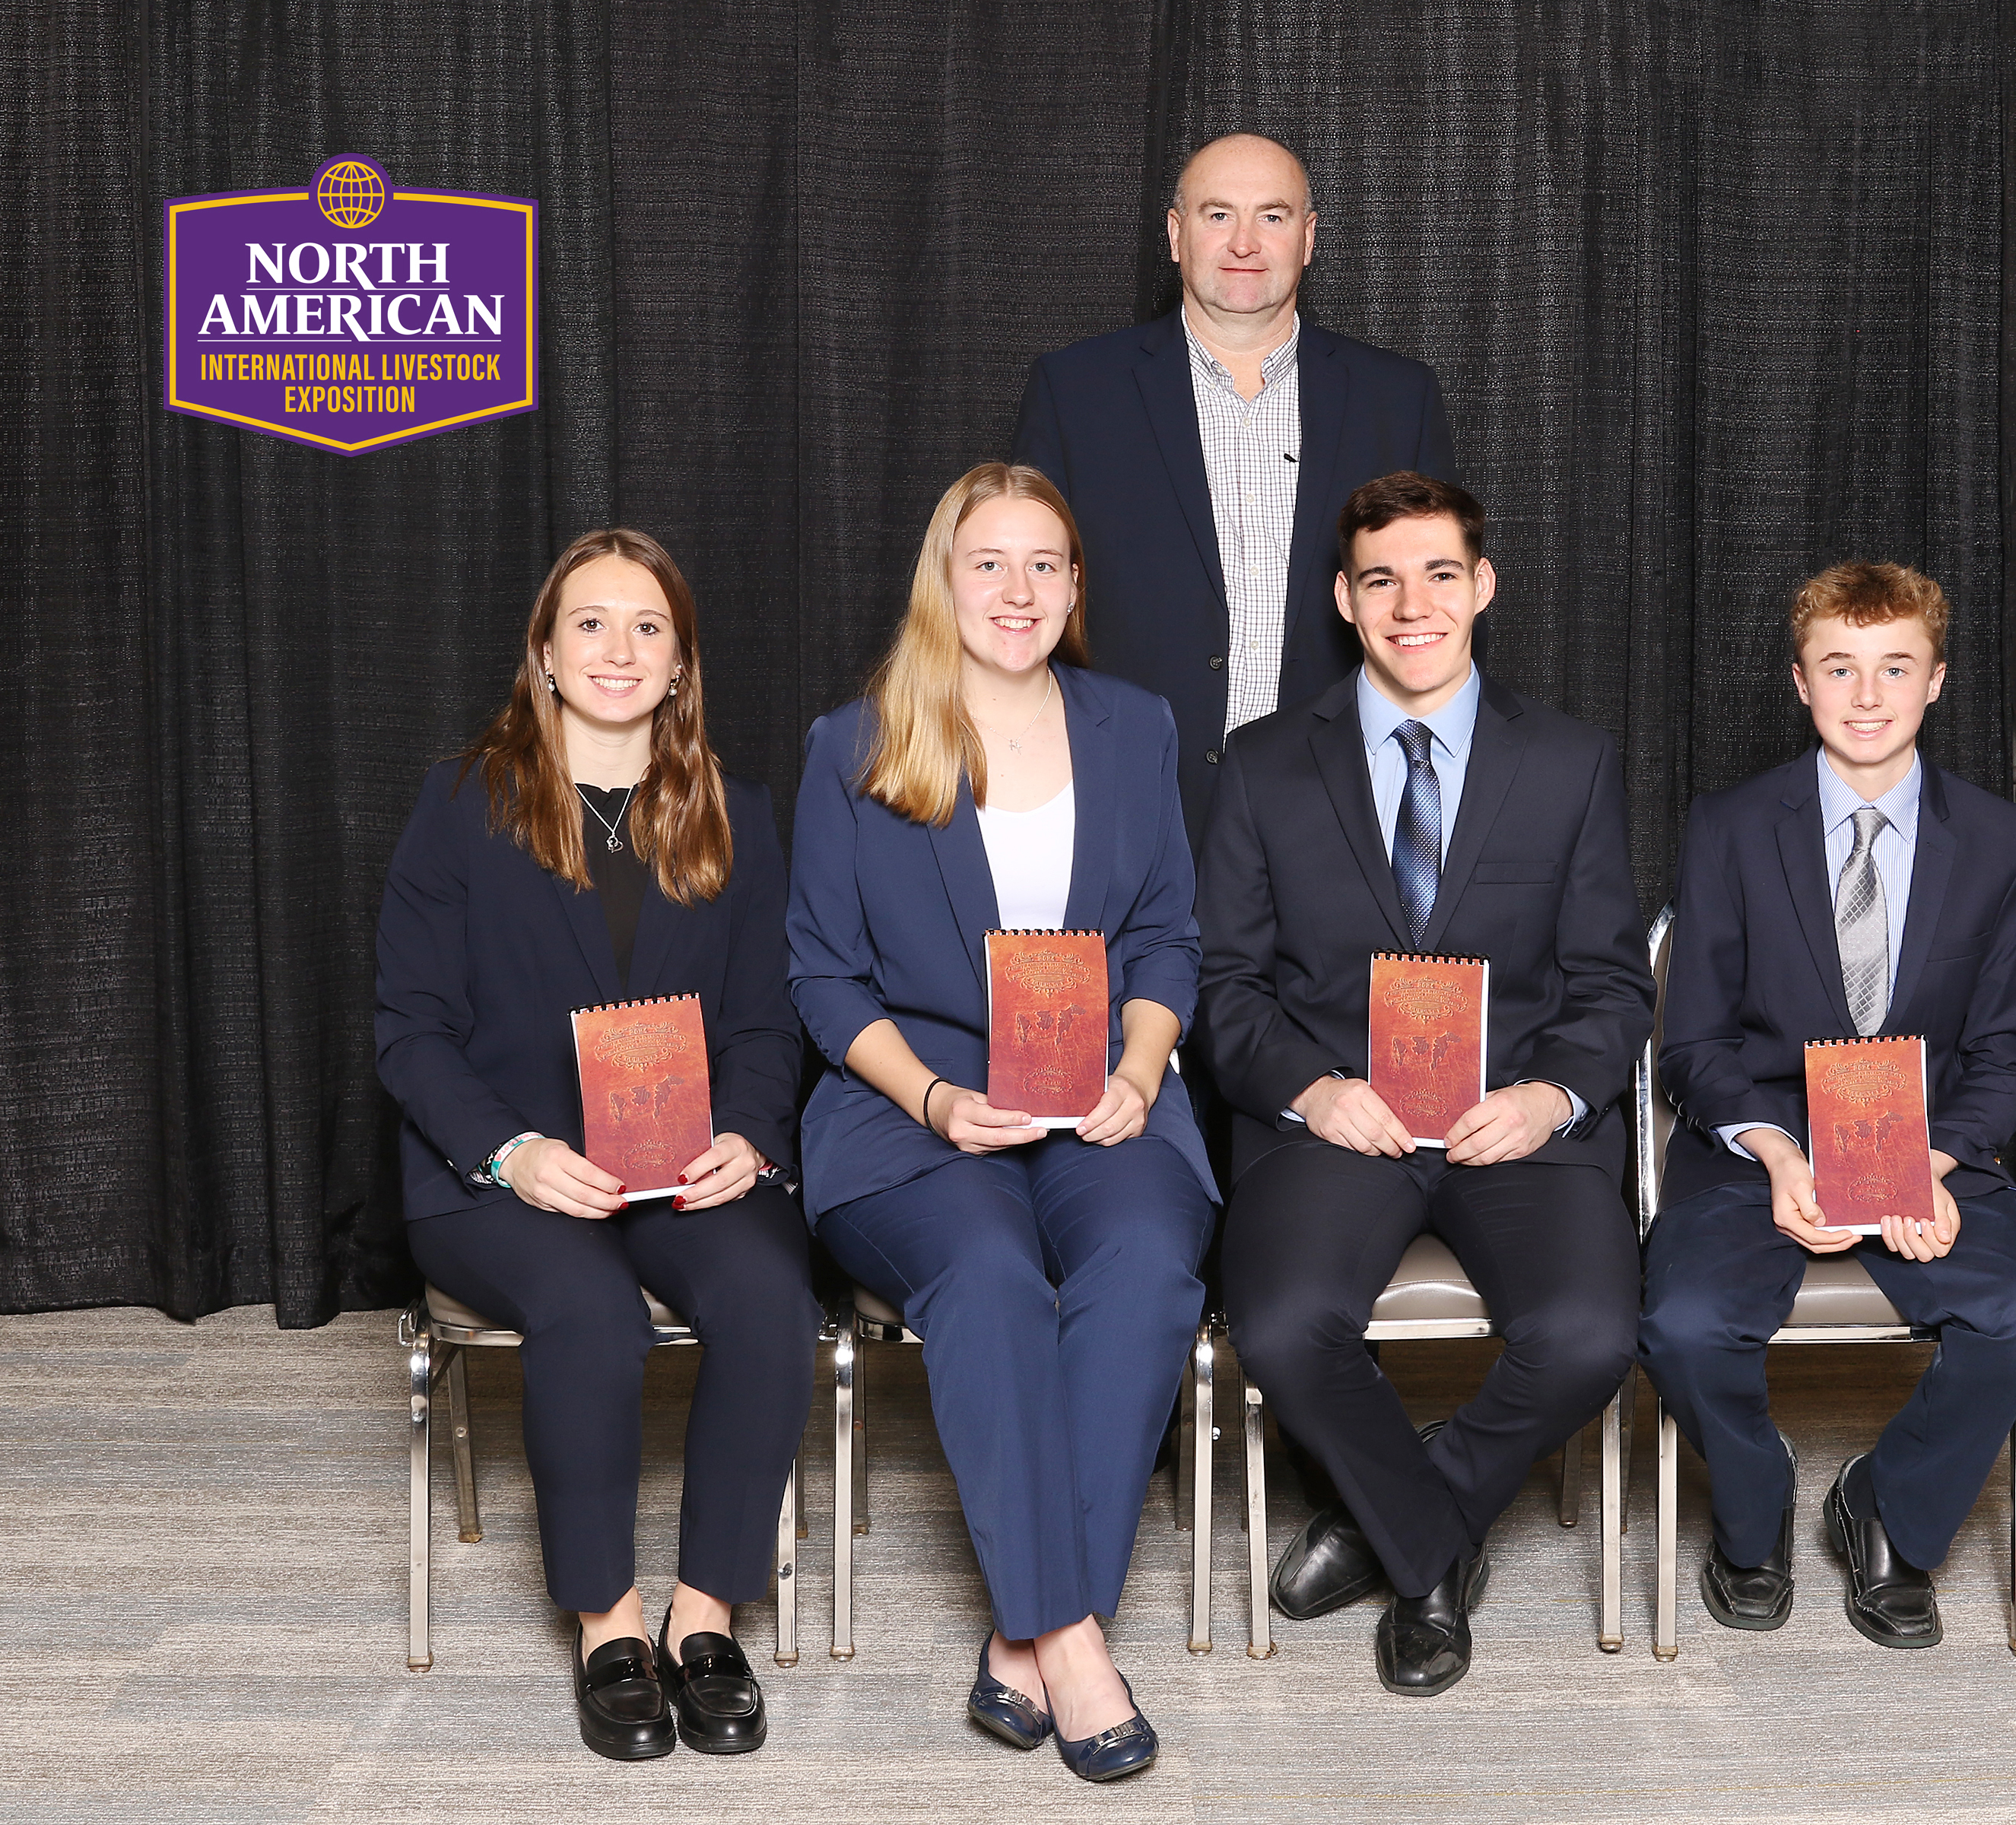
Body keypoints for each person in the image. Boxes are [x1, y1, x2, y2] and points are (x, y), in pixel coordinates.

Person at [788, 462, 1214, 1784]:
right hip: (910, 1107)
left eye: (1044, 565)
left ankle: (1023, 1633)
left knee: (1147, 1268)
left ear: (1076, 587)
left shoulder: (1134, 726)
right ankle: (1070, 1641)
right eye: (990, 562)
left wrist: (1142, 1069)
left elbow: (1165, 938)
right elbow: (821, 972)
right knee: (984, 1274)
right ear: (945, 578)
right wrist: (929, 1094)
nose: (1017, 590)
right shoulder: (853, 745)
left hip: (1101, 1088)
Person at [1198, 471, 1651, 1696]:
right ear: (1344, 599)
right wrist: (1313, 1090)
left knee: (1593, 1332)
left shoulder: (1569, 762)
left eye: (1440, 574)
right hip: (1337, 1128)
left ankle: (1398, 1519)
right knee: (1284, 1327)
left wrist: (1550, 1098)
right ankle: (1436, 1560)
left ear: (1482, 586)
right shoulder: (1262, 767)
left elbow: (1613, 990)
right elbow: (1226, 990)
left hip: (1520, 1127)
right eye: (1382, 580)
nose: (1414, 604)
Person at [377, 528, 815, 1760]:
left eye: (647, 628)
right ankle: (610, 1624)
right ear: (545, 653)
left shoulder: (742, 812)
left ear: (680, 664)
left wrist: (749, 1130)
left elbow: (769, 1019)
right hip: (504, 1175)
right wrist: (509, 1152)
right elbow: (408, 1031)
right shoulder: (461, 804)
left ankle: (705, 1617)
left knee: (772, 1297)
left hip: (688, 1163)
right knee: (587, 1310)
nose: (617, 650)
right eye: (590, 624)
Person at [1637, 560, 2016, 1651]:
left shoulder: (2003, 841)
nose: (1869, 696)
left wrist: (1938, 1160)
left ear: (1937, 683)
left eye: (1896, 668)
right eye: (1842, 668)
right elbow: (1691, 1040)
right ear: (1801, 682)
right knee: (1682, 1326)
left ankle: (1888, 1509)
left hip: (1926, 1146)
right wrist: (1784, 1159)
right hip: (1763, 1143)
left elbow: (2006, 1053)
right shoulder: (1731, 827)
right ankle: (1752, 1520)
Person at [1013, 130, 1459, 846]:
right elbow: (1023, 602)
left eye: (1272, 216)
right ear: (1175, 233)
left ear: (1308, 238)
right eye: (1218, 215)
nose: (1244, 242)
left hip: (1339, 815)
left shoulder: (1396, 401)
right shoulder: (1076, 392)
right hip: (1123, 805)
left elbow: (1436, 612)